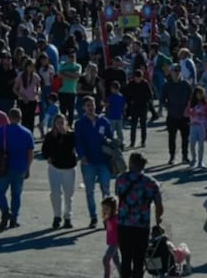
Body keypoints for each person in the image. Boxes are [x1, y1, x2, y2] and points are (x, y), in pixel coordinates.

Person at [115, 152, 163, 278]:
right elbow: (159, 205)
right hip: (141, 226)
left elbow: (119, 196)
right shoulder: (151, 182)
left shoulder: (120, 179)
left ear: (131, 163)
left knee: (125, 258)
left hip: (123, 224)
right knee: (139, 259)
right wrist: (158, 219)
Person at [0, 107, 35, 231]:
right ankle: (14, 218)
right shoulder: (27, 133)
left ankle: (5, 211)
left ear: (9, 118)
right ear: (20, 118)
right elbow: (30, 153)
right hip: (20, 167)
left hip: (4, 167)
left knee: (0, 191)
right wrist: (28, 168)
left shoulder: (2, 130)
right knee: (16, 194)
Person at [74, 96, 113, 228]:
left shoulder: (104, 121)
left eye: (92, 105)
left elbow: (110, 138)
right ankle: (93, 217)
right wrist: (82, 155)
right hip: (88, 162)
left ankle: (107, 218)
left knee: (106, 190)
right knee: (90, 191)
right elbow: (78, 142)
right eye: (88, 105)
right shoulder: (79, 123)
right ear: (83, 108)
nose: (91, 107)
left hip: (103, 161)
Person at [43, 113, 78, 229]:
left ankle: (67, 217)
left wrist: (64, 134)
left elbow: (75, 147)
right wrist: (47, 157)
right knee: (55, 194)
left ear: (66, 122)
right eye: (58, 122)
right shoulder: (50, 136)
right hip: (54, 168)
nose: (60, 125)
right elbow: (45, 150)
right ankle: (56, 216)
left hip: (69, 168)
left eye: (62, 122)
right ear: (54, 124)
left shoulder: (72, 135)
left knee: (69, 194)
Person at [162, 63, 193, 165]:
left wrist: (188, 110)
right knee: (172, 137)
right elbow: (162, 99)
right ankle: (172, 157)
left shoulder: (186, 84)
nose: (176, 73)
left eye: (178, 71)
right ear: (171, 72)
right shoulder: (167, 85)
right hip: (172, 116)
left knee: (185, 137)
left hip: (184, 116)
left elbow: (191, 99)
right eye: (174, 71)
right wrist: (169, 108)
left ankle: (185, 156)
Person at [185, 86, 207, 170]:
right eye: (198, 93)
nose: (200, 95)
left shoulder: (206, 103)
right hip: (193, 125)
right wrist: (193, 113)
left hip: (202, 126)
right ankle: (194, 159)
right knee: (192, 144)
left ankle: (200, 162)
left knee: (201, 144)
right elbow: (185, 113)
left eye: (201, 93)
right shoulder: (191, 103)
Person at [101, 195, 121, 278]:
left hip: (115, 243)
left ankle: (107, 276)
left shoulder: (116, 218)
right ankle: (123, 274)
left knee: (106, 260)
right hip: (111, 242)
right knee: (116, 261)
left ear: (113, 208)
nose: (105, 211)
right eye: (103, 208)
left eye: (107, 208)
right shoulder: (109, 217)